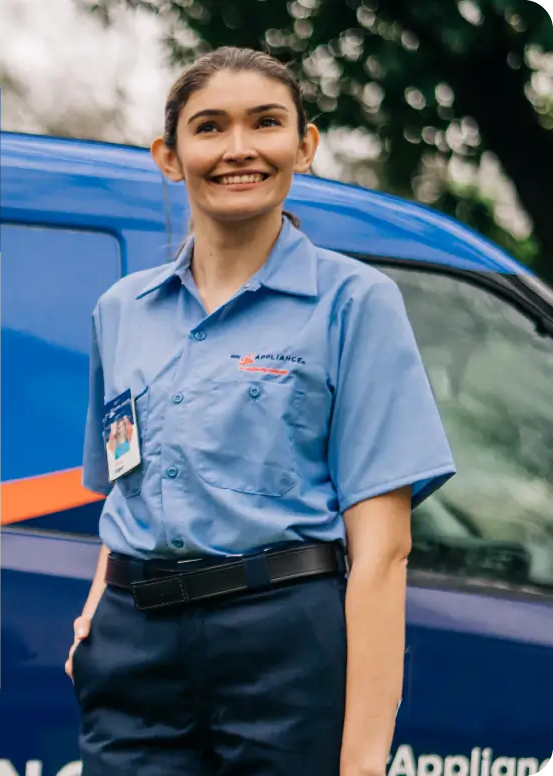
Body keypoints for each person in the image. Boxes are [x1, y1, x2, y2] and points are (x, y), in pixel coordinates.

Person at [67, 46, 456, 776]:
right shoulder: (121, 311)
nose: (239, 149)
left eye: (266, 123)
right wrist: (96, 611)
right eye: (210, 127)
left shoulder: (356, 303)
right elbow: (129, 484)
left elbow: (382, 552)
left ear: (303, 146)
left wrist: (364, 760)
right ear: (169, 156)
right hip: (134, 645)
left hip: (283, 643)